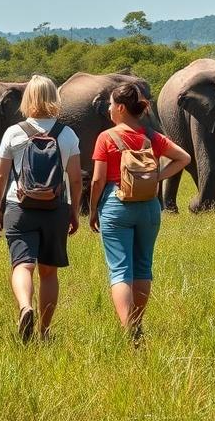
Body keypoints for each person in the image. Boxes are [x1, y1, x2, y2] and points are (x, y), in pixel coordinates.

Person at [89, 81, 190, 346]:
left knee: (120, 270)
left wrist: (92, 210)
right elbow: (183, 158)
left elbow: (98, 180)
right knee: (143, 266)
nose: (109, 109)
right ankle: (138, 323)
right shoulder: (151, 136)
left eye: (111, 104)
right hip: (149, 206)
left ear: (121, 108)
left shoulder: (106, 138)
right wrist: (157, 177)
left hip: (115, 204)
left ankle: (128, 331)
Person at [0, 75, 81, 342]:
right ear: (54, 98)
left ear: (27, 99)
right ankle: (44, 331)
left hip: (18, 207)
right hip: (55, 209)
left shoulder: (13, 132)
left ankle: (25, 306)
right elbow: (76, 178)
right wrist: (74, 211)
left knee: (22, 265)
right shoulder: (67, 134)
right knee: (49, 271)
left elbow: (0, 176)